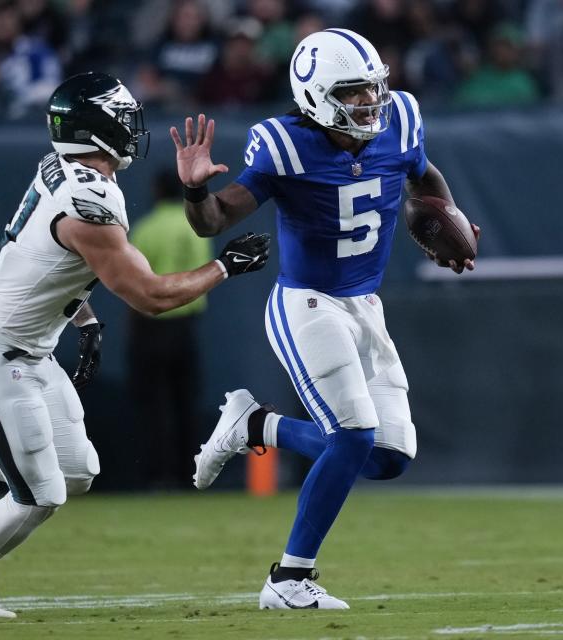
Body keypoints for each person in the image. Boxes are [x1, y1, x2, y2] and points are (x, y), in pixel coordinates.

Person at [0, 71, 270, 619]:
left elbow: (41, 258)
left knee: (76, 471)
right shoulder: (89, 200)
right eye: (123, 117)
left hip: (32, 344)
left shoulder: (70, 174)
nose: (133, 126)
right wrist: (224, 267)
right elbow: (151, 297)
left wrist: (83, 318)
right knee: (40, 494)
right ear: (96, 128)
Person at [170, 28, 479, 609]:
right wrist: (193, 191)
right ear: (315, 95)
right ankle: (288, 579)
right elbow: (214, 221)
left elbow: (424, 175)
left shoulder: (401, 119)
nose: (370, 103)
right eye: (355, 92)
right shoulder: (284, 144)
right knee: (354, 435)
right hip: (307, 302)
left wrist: (447, 223)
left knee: (388, 457)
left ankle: (256, 426)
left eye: (374, 88)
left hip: (365, 303)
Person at [127, 171, 213, 489]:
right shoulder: (193, 229)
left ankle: (157, 475)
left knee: (154, 404)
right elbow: (204, 275)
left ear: (155, 190)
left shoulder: (146, 228)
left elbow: (133, 285)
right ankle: (191, 473)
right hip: (186, 325)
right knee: (186, 402)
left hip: (150, 325)